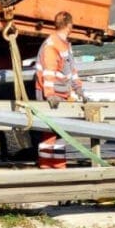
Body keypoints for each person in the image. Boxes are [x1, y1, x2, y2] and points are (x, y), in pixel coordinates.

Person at [34, 11, 85, 169]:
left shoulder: (64, 45)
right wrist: (50, 95)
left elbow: (70, 71)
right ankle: (52, 165)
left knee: (57, 131)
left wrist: (79, 89)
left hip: (60, 93)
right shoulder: (53, 44)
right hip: (52, 93)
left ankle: (52, 164)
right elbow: (49, 72)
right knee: (52, 131)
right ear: (70, 25)